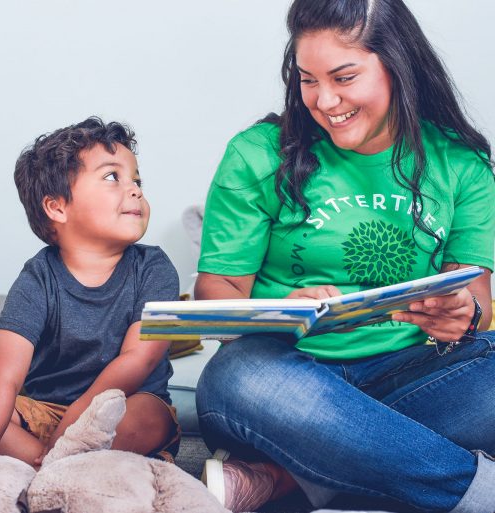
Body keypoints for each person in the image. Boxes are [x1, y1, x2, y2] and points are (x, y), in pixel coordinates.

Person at [194, 1, 495, 512]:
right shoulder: (258, 153)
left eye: (344, 76)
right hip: (284, 373)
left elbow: (477, 304)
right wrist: (286, 306)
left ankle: (290, 476)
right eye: (307, 79)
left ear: (398, 65)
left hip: (414, 370)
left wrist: (461, 315)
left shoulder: (461, 164)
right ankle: (474, 492)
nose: (324, 100)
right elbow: (214, 295)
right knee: (235, 378)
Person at [0, 117, 181, 513]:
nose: (135, 189)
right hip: (42, 416)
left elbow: (140, 358)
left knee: (150, 415)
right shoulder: (38, 278)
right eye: (112, 178)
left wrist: (76, 425)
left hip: (119, 412)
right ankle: (50, 479)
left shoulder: (153, 268)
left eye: (137, 180)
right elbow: (3, 376)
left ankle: (28, 481)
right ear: (57, 207)